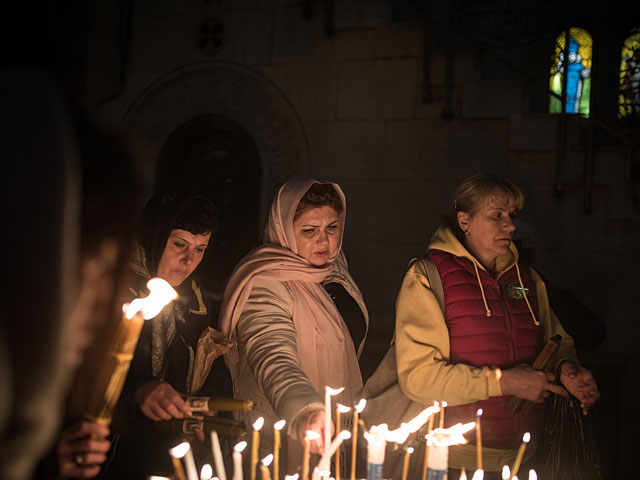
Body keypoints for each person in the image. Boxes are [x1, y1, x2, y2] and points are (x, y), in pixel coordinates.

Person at [394, 173, 599, 479]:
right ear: (465, 221)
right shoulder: (428, 276)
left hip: (528, 456)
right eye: (497, 216)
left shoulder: (526, 279)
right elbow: (418, 379)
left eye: (512, 216)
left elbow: (558, 340)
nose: (511, 226)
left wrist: (568, 368)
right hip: (453, 461)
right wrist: (504, 382)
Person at [219, 178, 369, 475]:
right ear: (284, 229)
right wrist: (305, 411)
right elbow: (272, 354)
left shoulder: (333, 266)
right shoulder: (265, 282)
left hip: (333, 426)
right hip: (280, 434)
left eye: (332, 228)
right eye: (309, 231)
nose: (324, 242)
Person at [99, 192, 233, 479]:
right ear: (156, 237)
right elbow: (86, 372)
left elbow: (213, 360)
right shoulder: (112, 286)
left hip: (170, 454)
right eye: (179, 244)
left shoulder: (196, 295)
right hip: (112, 452)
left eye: (200, 249)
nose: (188, 260)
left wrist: (211, 406)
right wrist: (139, 391)